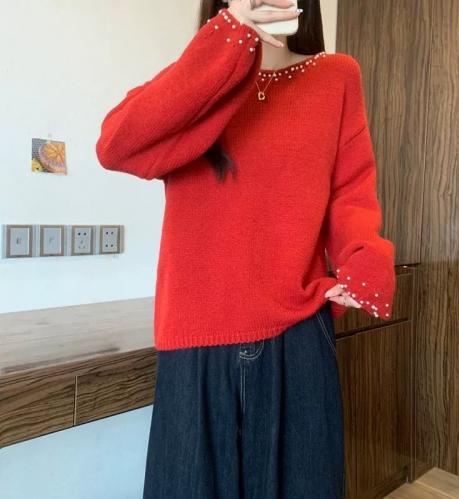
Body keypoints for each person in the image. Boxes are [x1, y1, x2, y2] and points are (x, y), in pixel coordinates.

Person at [95, 0, 396, 497]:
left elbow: (352, 191)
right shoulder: (197, 79)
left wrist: (362, 262)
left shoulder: (336, 77)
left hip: (297, 335)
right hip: (193, 344)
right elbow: (115, 146)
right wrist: (227, 40)